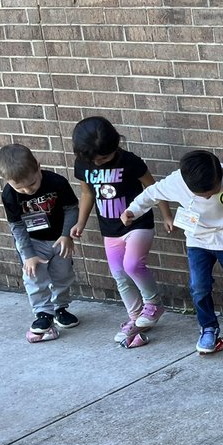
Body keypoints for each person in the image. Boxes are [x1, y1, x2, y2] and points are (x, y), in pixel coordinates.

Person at [123, 150, 223, 358]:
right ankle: (208, 328)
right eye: (202, 195)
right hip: (198, 241)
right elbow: (151, 193)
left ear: (220, 174)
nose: (208, 196)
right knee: (198, 287)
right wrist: (132, 211)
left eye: (212, 191)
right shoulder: (177, 181)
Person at [70, 116, 172, 346]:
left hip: (138, 223)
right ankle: (136, 320)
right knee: (119, 275)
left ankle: (154, 304)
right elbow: (87, 194)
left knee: (132, 265)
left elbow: (153, 187)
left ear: (116, 145)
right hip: (110, 229)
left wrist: (166, 215)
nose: (98, 163)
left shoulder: (130, 161)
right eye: (94, 160)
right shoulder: (84, 163)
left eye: (104, 158)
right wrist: (80, 223)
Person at [0, 144, 80, 341]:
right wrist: (28, 255)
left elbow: (71, 208)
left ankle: (60, 308)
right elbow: (16, 225)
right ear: (8, 181)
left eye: (32, 184)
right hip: (32, 242)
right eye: (20, 187)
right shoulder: (9, 194)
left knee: (63, 274)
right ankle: (43, 313)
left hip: (59, 238)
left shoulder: (56, 182)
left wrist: (67, 234)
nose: (27, 190)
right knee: (34, 277)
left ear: (38, 167)